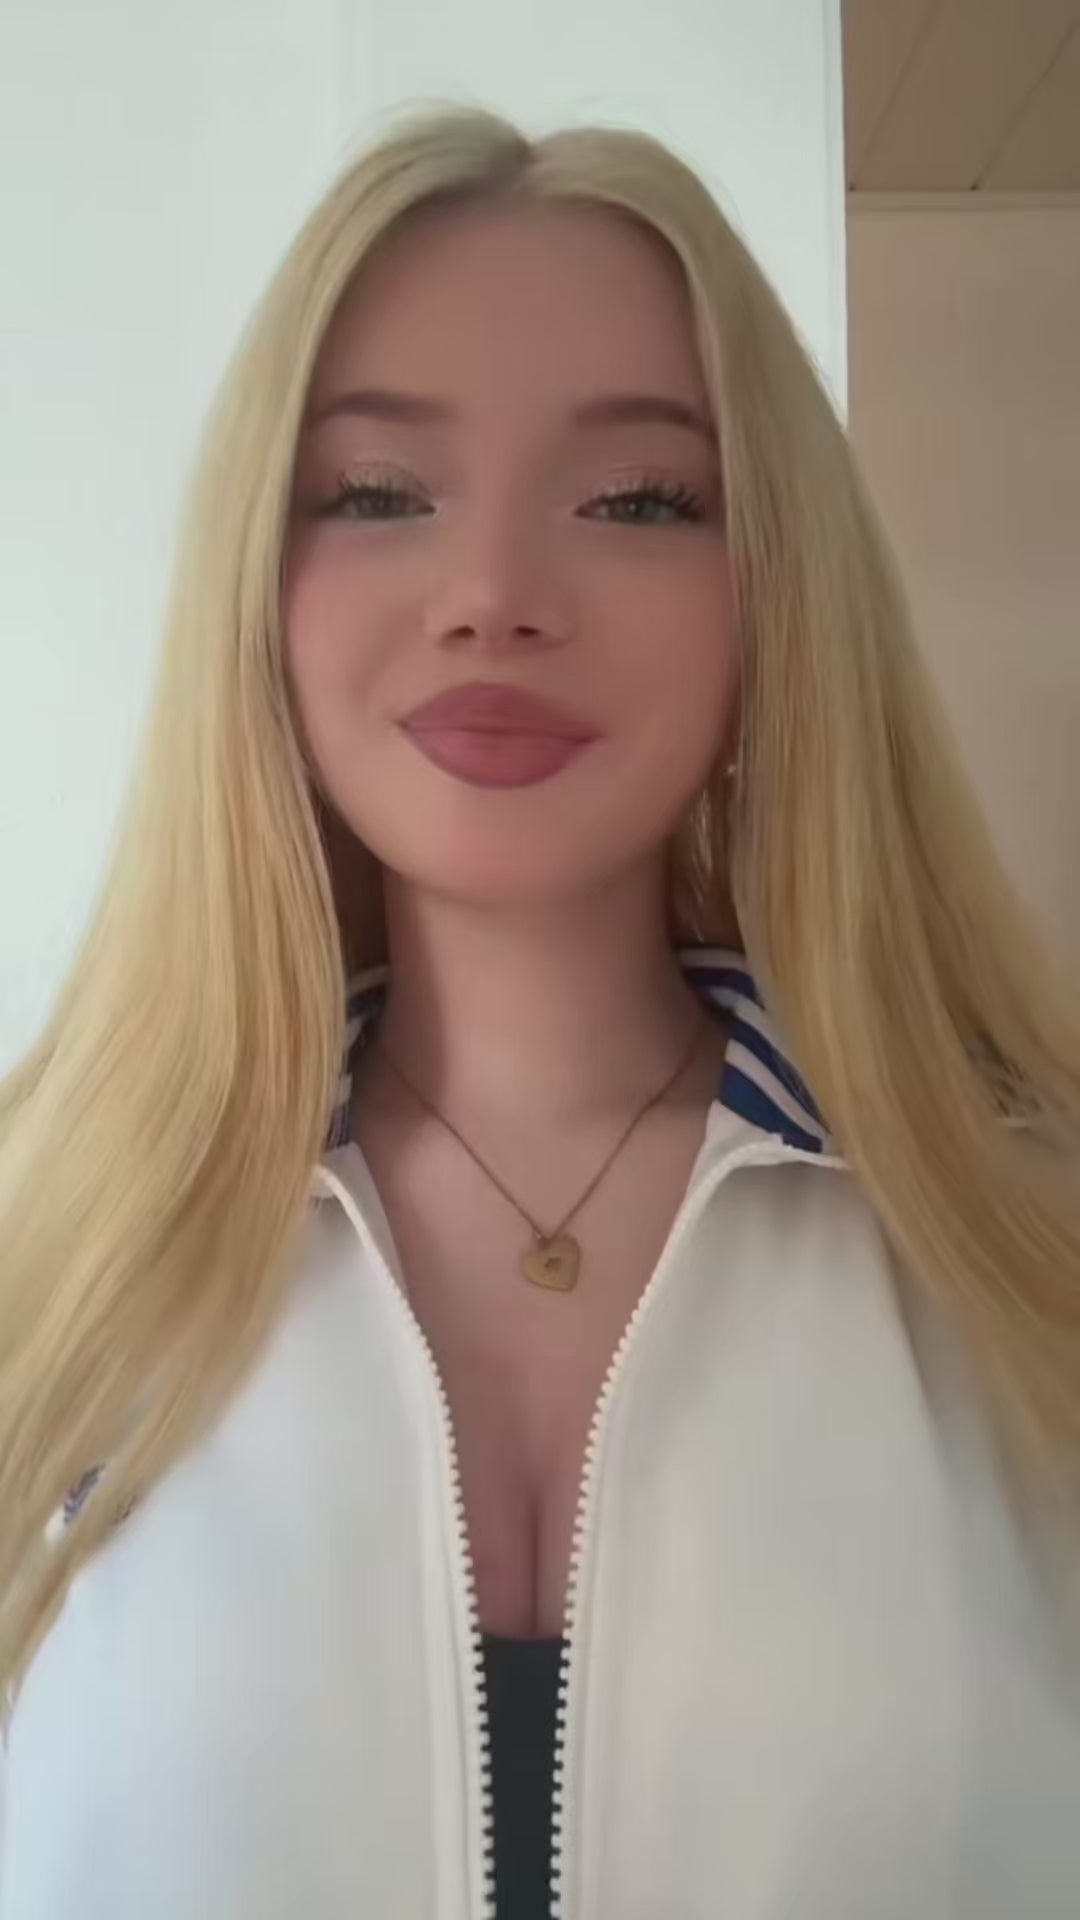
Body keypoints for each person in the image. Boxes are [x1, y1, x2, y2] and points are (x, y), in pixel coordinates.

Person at [0, 100, 1078, 1920]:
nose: (494, 595)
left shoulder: (1029, 1242)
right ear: (259, 580)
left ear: (774, 591)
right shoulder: (45, 1252)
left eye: (639, 500)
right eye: (379, 492)